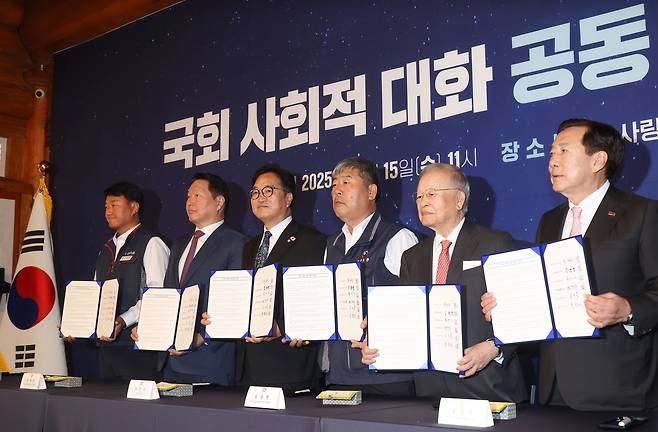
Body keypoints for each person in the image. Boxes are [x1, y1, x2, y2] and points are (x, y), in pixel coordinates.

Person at [482, 119, 658, 410]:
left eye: (563, 151)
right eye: (551, 153)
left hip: (619, 387)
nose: (552, 161)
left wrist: (628, 310)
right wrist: (507, 306)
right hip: (554, 386)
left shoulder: (642, 213)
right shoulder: (549, 221)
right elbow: (544, 296)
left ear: (598, 160)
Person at [361, 163, 527, 402]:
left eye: (431, 194)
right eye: (419, 196)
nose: (423, 202)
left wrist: (494, 348)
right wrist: (380, 339)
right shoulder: (412, 257)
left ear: (459, 199)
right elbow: (409, 319)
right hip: (430, 392)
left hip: (488, 388)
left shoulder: (495, 244)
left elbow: (524, 312)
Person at [323, 156, 418, 396]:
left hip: (386, 376)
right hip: (339, 377)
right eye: (334, 184)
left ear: (371, 191)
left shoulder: (398, 238)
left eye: (346, 182)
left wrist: (381, 322)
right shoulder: (331, 244)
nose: (337, 190)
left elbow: (417, 305)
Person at [231, 163, 326, 392]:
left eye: (268, 190)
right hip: (249, 367)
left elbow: (318, 302)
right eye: (255, 192)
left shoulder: (313, 241)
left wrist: (280, 327)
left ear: (289, 198)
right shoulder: (249, 246)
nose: (260, 197)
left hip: (290, 365)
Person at [145, 173, 246, 384]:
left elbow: (235, 303)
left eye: (197, 196)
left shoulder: (237, 243)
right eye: (188, 196)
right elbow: (169, 294)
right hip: (171, 361)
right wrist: (150, 326)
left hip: (209, 361)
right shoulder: (179, 244)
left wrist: (200, 338)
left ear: (219, 202)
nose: (189, 202)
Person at [93, 182, 169, 380]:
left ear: (134, 207)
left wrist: (124, 319)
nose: (108, 211)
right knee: (105, 399)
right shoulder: (105, 249)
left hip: (138, 345)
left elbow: (158, 295)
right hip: (106, 344)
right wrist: (77, 324)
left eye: (114, 205)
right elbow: (95, 294)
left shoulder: (151, 243)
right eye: (106, 206)